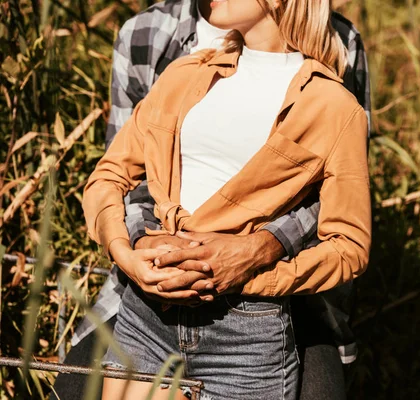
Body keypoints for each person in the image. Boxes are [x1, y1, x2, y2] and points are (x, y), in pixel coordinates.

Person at [51, 0, 370, 399]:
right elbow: (110, 175)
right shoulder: (185, 74)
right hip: (147, 315)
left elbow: (349, 246)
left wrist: (255, 275)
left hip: (247, 337)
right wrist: (125, 251)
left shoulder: (334, 106)